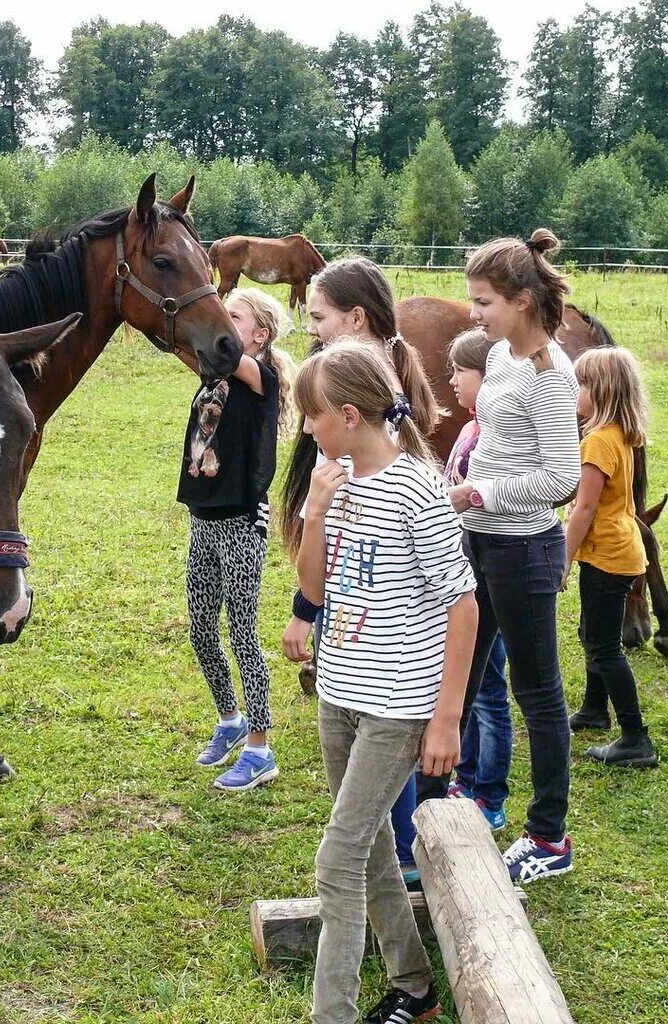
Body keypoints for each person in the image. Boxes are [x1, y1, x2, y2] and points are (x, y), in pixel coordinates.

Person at [295, 339, 477, 1024]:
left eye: (312, 415)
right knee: (366, 847)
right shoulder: (334, 480)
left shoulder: (416, 489)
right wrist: (314, 509)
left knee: (337, 861)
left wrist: (447, 718)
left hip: (396, 706)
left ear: (348, 414)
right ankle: (415, 985)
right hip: (337, 693)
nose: (306, 428)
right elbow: (314, 588)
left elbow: (464, 603)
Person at [277, 256, 442, 887]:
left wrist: (305, 609)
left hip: (385, 650)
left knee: (379, 763)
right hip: (353, 630)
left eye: (318, 319)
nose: (312, 330)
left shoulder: (371, 430)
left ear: (356, 319)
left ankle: (399, 856)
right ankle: (387, 867)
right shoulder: (355, 406)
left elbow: (448, 595)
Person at [437, 228, 582, 885]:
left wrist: (484, 491)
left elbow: (561, 479)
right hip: (480, 537)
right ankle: (438, 801)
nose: (474, 313)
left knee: (537, 692)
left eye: (485, 301)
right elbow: (494, 440)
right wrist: (458, 485)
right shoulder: (499, 358)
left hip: (524, 549)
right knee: (460, 675)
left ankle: (548, 837)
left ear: (523, 300)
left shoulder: (553, 375)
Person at [177, 287, 297, 792]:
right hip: (204, 517)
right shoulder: (215, 375)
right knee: (201, 626)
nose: (221, 322)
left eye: (233, 316)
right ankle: (230, 718)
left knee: (242, 630)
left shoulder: (260, 378)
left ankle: (260, 747)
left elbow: (229, 358)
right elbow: (191, 347)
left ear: (259, 334)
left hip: (242, 521)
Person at [563, 346, 659, 767]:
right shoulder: (621, 433)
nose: (575, 392)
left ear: (600, 392)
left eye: (580, 385)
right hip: (618, 549)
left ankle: (636, 737)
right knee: (596, 635)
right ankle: (594, 709)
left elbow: (584, 508)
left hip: (606, 554)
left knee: (605, 646)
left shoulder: (598, 442)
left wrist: (562, 558)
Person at [442, 328, 512, 833]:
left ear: (487, 380)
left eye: (458, 373)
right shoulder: (470, 429)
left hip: (488, 568)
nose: (450, 382)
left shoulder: (493, 437)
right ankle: (464, 777)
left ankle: (490, 792)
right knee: (469, 680)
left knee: (489, 688)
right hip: (467, 563)